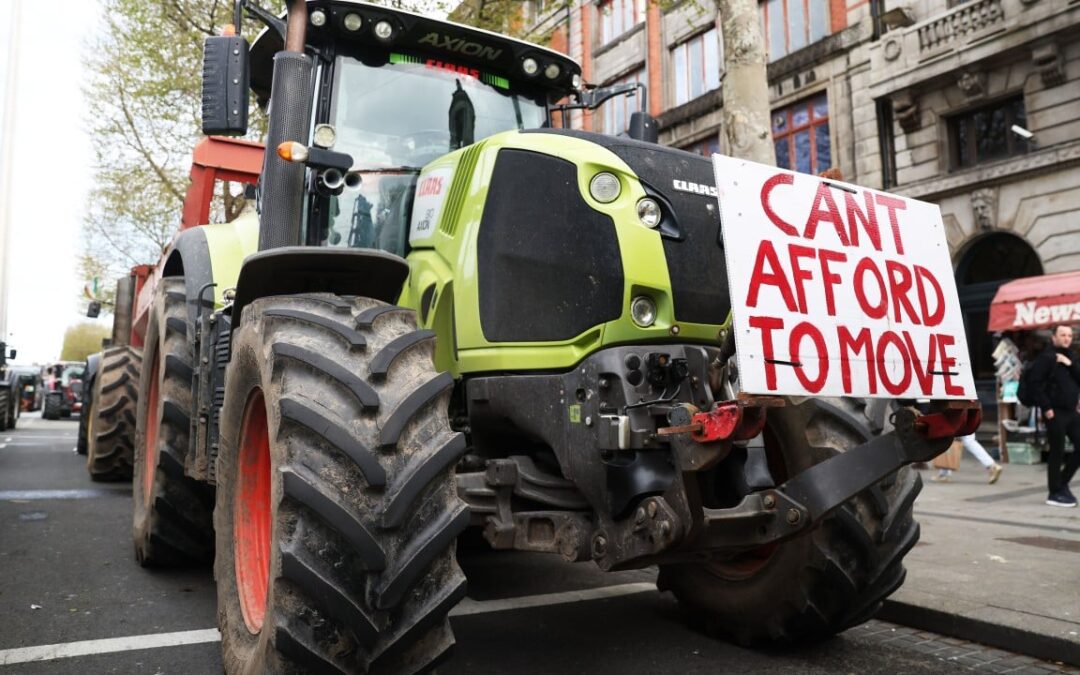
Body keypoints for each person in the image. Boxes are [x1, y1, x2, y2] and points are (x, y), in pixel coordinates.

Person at [1028, 324, 1080, 507]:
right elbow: (1035, 384)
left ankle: (1062, 484)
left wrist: (1070, 364)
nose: (1067, 338)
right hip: (1054, 412)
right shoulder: (1046, 358)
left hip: (1072, 412)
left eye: (1069, 335)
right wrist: (1046, 407)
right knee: (1056, 452)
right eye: (1063, 335)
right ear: (1054, 338)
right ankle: (1053, 493)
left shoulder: (1071, 356)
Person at [932, 433, 1003, 483]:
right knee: (968, 440)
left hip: (958, 415)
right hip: (969, 415)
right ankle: (944, 474)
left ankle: (991, 465)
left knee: (947, 438)